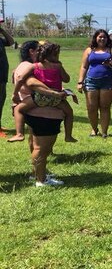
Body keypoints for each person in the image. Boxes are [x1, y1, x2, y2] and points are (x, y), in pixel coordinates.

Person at [12, 40, 68, 186]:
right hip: (43, 114)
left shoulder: (34, 66)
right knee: (41, 149)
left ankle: (38, 175)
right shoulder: (31, 66)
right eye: (39, 49)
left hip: (39, 110)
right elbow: (31, 83)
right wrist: (54, 94)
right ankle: (40, 180)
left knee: (38, 146)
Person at [12, 42, 78, 143]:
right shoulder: (58, 66)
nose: (58, 56)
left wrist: (15, 93)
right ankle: (68, 136)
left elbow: (21, 79)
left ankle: (19, 134)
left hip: (39, 98)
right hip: (57, 99)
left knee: (18, 109)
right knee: (69, 113)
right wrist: (60, 67)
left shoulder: (34, 66)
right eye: (56, 54)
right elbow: (67, 79)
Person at [77, 29, 112, 138]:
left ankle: (104, 131)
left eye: (104, 37)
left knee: (105, 107)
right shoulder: (89, 50)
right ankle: (94, 129)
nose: (102, 39)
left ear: (107, 39)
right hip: (91, 81)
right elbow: (84, 67)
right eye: (100, 37)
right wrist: (80, 82)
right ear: (95, 38)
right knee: (91, 107)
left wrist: (111, 65)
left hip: (107, 82)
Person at [0, 21, 14, 137]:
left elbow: (11, 42)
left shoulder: (0, 39)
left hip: (2, 75)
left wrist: (3, 31)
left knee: (1, 100)